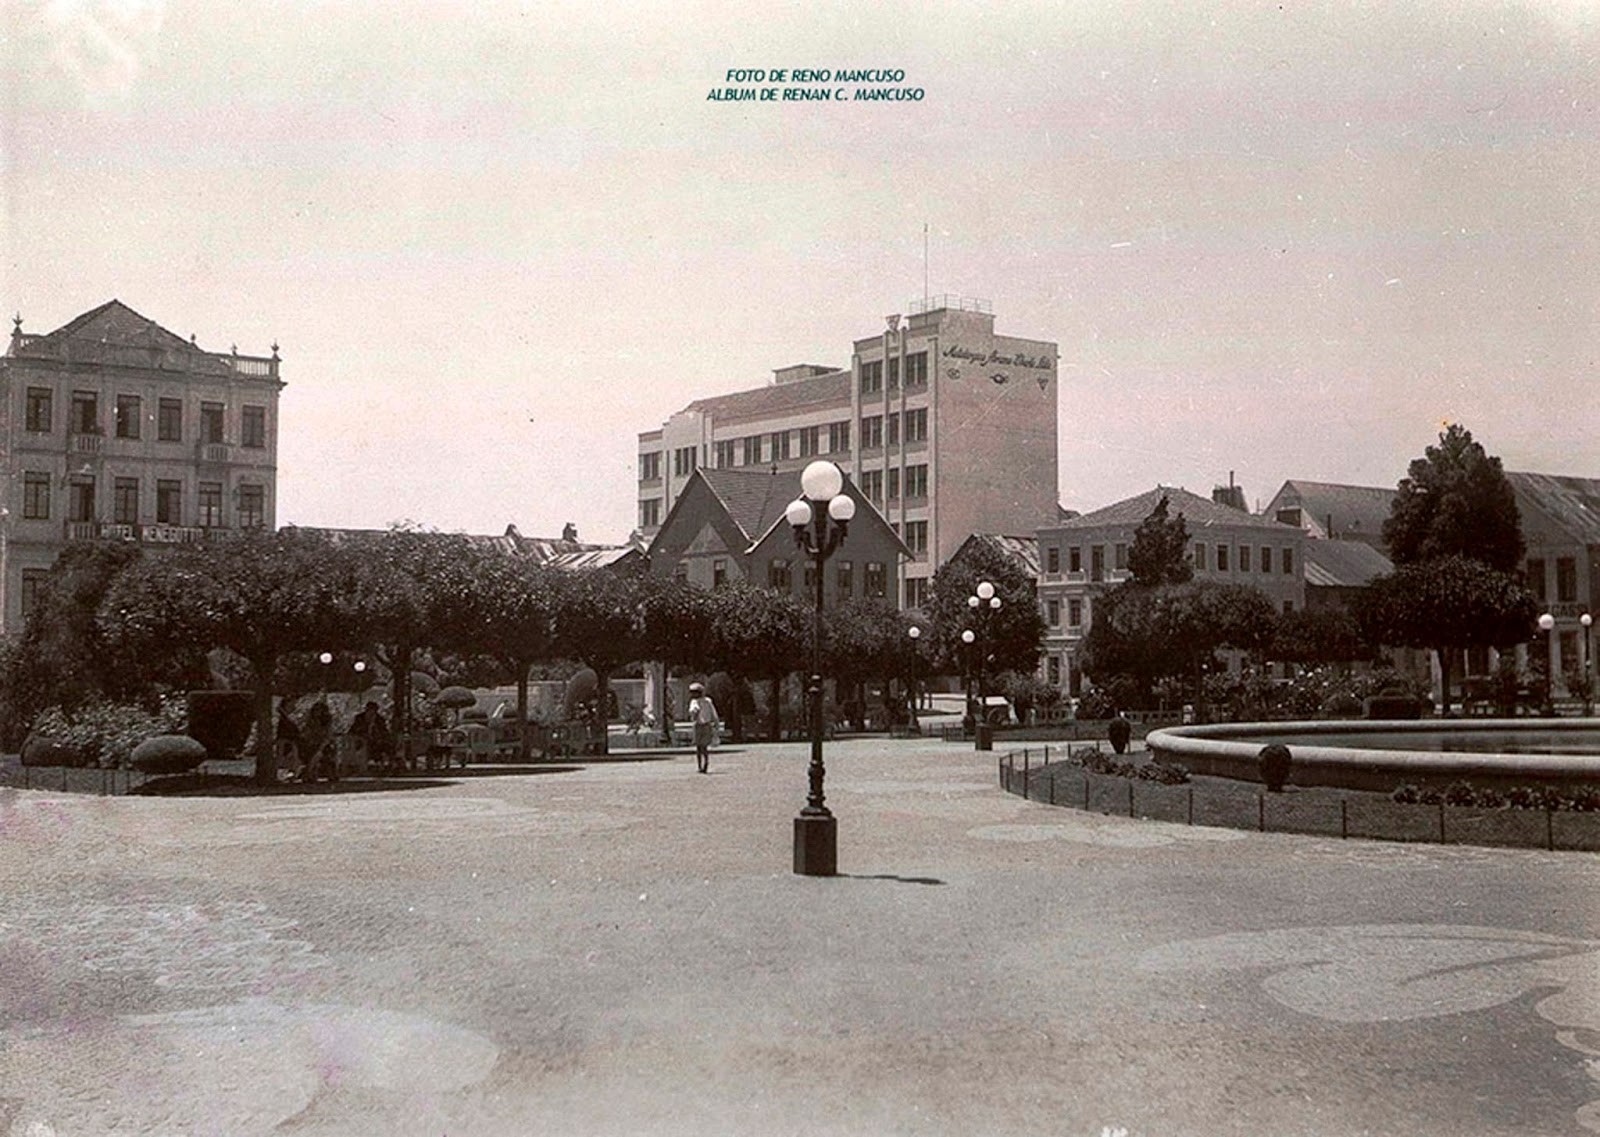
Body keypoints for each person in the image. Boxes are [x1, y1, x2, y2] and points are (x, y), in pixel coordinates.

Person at [687, 682, 720, 774]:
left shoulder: (707, 701)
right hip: (699, 725)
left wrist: (716, 722)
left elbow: (713, 712)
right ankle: (700, 765)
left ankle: (704, 764)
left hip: (704, 725)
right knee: (699, 746)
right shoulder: (695, 702)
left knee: (703, 746)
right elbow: (693, 711)